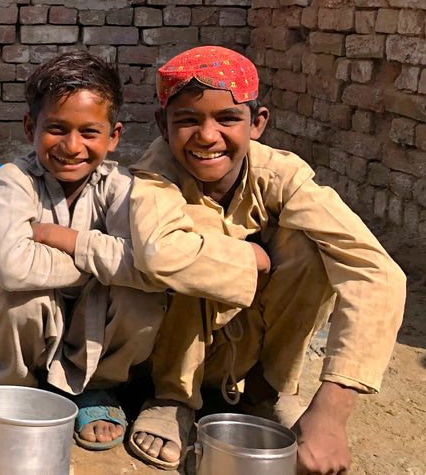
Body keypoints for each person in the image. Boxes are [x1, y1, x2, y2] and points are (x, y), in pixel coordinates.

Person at [126, 45, 406, 474]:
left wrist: (332, 410)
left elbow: (374, 268)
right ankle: (173, 397)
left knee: (312, 247)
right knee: (192, 239)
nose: (206, 136)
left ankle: (270, 390)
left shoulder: (283, 175)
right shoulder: (154, 174)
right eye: (187, 120)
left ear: (257, 124)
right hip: (174, 346)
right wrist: (249, 258)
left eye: (227, 119)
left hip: (251, 343)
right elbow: (160, 252)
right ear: (163, 126)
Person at [0, 51, 167, 452]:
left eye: (89, 132)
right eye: (56, 129)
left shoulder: (121, 187)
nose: (72, 146)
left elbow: (148, 266)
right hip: (31, 325)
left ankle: (98, 389)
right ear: (30, 127)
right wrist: (103, 264)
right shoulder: (15, 181)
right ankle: (18, 391)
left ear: (114, 137)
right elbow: (11, 268)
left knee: (145, 298)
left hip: (94, 326)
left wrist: (58, 239)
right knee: (19, 300)